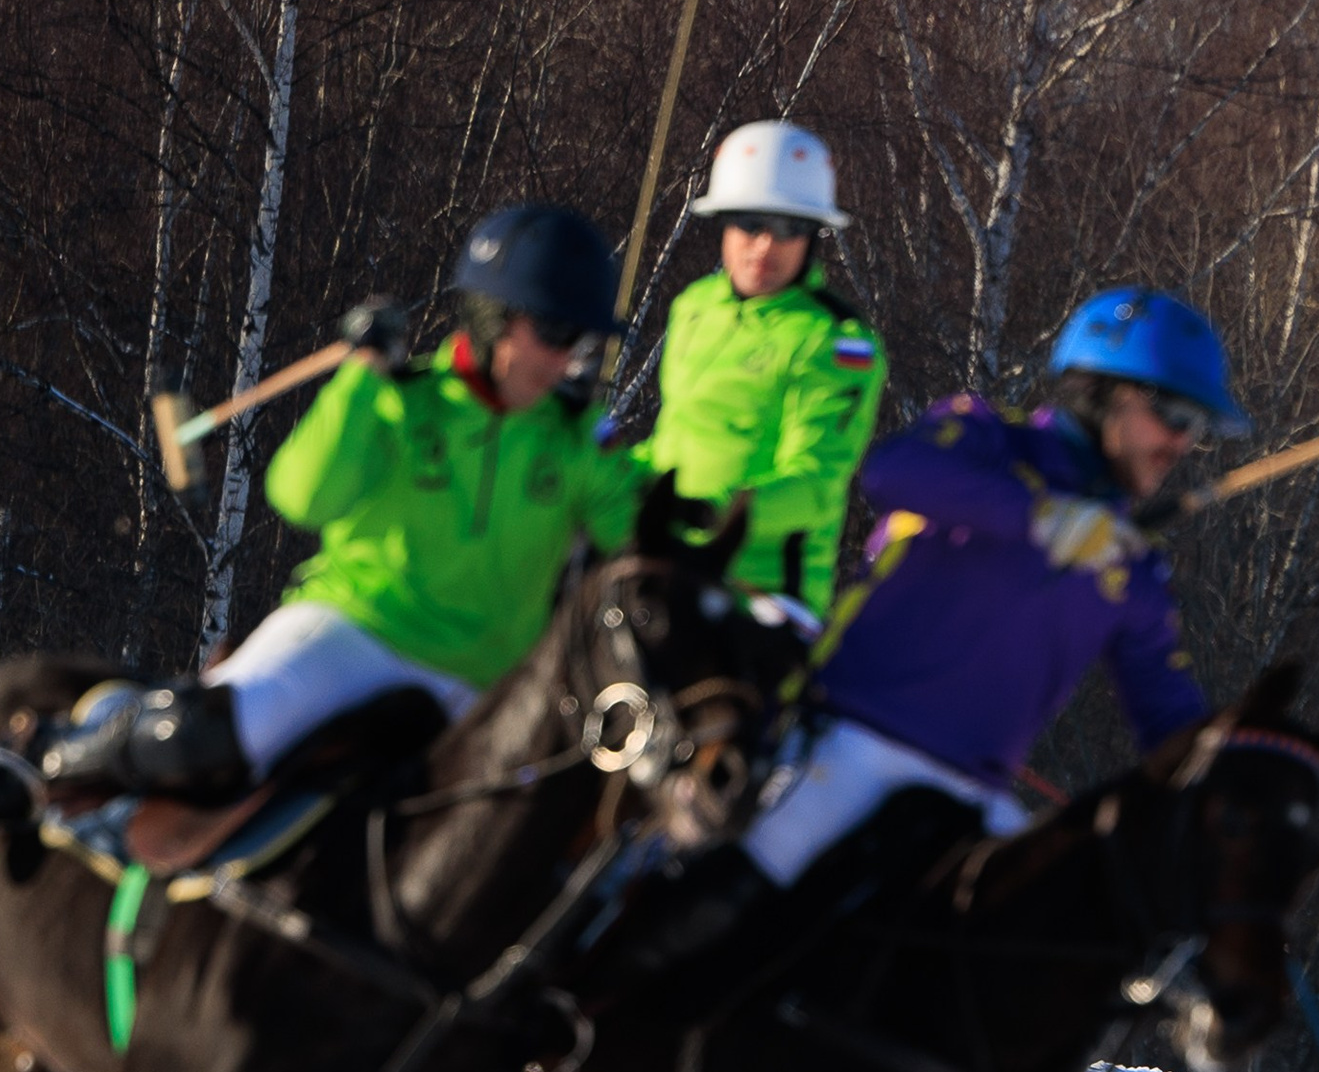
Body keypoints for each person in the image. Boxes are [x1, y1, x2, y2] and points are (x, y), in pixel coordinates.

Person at [596, 284, 1247, 970]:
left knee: (1048, 961)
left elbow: (1165, 712)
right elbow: (894, 470)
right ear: (1103, 394)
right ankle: (585, 997)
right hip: (849, 743)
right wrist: (1041, 516)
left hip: (973, 794)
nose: (1181, 442)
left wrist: (1238, 770)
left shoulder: (1128, 561)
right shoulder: (986, 441)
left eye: (1195, 425)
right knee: (716, 899)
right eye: (1171, 414)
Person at [19, 207, 641, 808]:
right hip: (353, 632)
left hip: (483, 686)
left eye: (580, 340)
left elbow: (642, 538)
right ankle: (48, 761)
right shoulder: (405, 403)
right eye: (556, 333)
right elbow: (300, 497)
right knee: (197, 737)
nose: (567, 358)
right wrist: (361, 379)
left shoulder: (579, 445)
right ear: (494, 318)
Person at [646, 121, 888, 608]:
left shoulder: (836, 343)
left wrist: (718, 513)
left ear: (812, 236)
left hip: (763, 595)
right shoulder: (695, 307)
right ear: (724, 223)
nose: (764, 246)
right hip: (664, 561)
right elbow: (671, 441)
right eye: (750, 223)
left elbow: (815, 484)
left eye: (788, 228)